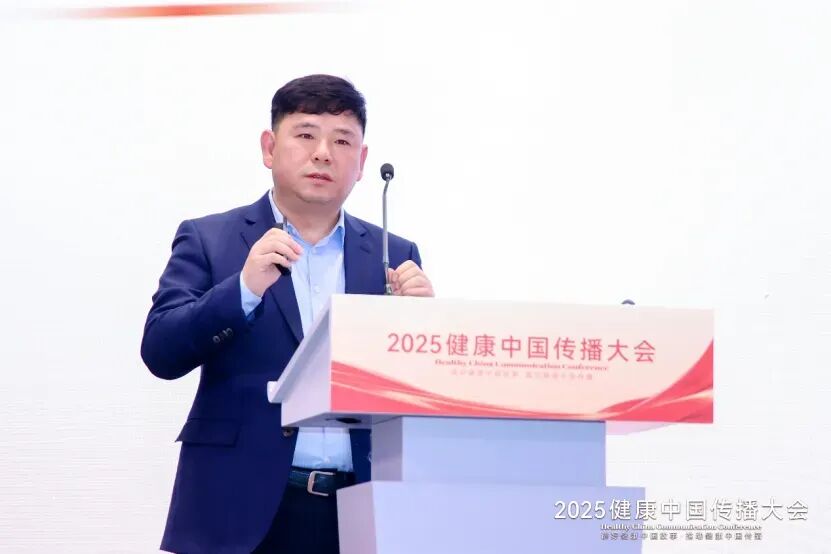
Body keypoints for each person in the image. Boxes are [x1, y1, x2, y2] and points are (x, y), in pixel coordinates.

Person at [140, 74, 434, 554]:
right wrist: (242, 289)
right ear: (269, 148)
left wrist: (423, 332)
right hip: (236, 510)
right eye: (305, 134)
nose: (323, 153)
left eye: (342, 141)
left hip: (362, 509)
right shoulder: (210, 238)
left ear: (361, 162)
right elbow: (160, 351)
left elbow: (412, 395)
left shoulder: (394, 255)